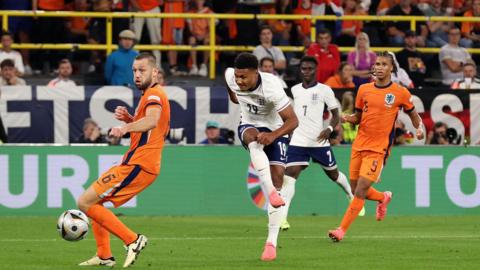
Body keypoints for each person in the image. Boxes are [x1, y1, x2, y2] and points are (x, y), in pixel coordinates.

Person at [77, 52, 170, 267]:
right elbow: (155, 124)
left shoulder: (154, 95)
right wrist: (130, 118)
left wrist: (124, 127)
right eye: (135, 71)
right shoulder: (150, 94)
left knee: (84, 202)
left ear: (155, 72)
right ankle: (104, 256)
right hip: (136, 162)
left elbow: (153, 121)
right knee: (94, 204)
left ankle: (133, 240)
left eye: (142, 70)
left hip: (140, 164)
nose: (137, 75)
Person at [328, 51, 424, 242]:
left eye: (383, 64)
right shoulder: (363, 89)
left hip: (379, 147)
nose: (379, 67)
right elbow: (358, 118)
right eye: (377, 64)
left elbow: (413, 114)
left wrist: (419, 128)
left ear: (391, 69)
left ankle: (341, 230)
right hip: (359, 145)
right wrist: (348, 118)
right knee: (356, 189)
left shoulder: (400, 92)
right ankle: (382, 197)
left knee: (362, 188)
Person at [225, 53, 298, 261]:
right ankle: (271, 193)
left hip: (276, 128)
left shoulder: (272, 87)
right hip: (248, 123)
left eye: (244, 77)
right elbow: (231, 89)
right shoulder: (231, 75)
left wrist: (273, 135)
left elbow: (293, 121)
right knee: (253, 140)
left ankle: (271, 243)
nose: (239, 81)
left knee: (278, 178)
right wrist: (234, 93)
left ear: (256, 73)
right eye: (237, 76)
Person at [280, 56, 363, 232]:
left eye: (310, 68)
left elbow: (335, 114)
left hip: (319, 141)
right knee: (289, 178)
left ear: (315, 70)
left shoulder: (325, 90)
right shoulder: (294, 90)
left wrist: (330, 130)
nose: (306, 71)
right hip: (298, 141)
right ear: (300, 70)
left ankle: (351, 196)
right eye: (303, 68)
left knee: (334, 176)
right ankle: (282, 218)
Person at [130, 0, 162, 68]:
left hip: (153, 7)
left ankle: (158, 66)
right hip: (136, 8)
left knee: (156, 39)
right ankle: (133, 65)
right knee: (134, 39)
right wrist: (135, 4)